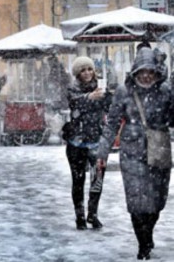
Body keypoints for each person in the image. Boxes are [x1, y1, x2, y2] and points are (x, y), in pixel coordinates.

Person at [97, 47, 174, 260]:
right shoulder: (124, 92)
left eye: (150, 71)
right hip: (131, 152)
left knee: (157, 201)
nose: (146, 75)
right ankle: (143, 243)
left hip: (159, 149)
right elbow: (112, 123)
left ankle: (148, 232)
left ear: (156, 72)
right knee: (137, 200)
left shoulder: (166, 90)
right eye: (142, 71)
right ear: (135, 72)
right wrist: (103, 151)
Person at [62, 56, 112, 230]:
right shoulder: (72, 88)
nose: (87, 73)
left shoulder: (102, 86)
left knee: (97, 179)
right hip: (76, 143)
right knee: (78, 180)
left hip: (97, 142)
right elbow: (76, 103)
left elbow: (110, 108)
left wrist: (107, 96)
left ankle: (93, 213)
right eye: (82, 70)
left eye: (89, 69)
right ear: (77, 73)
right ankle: (80, 215)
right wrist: (90, 97)